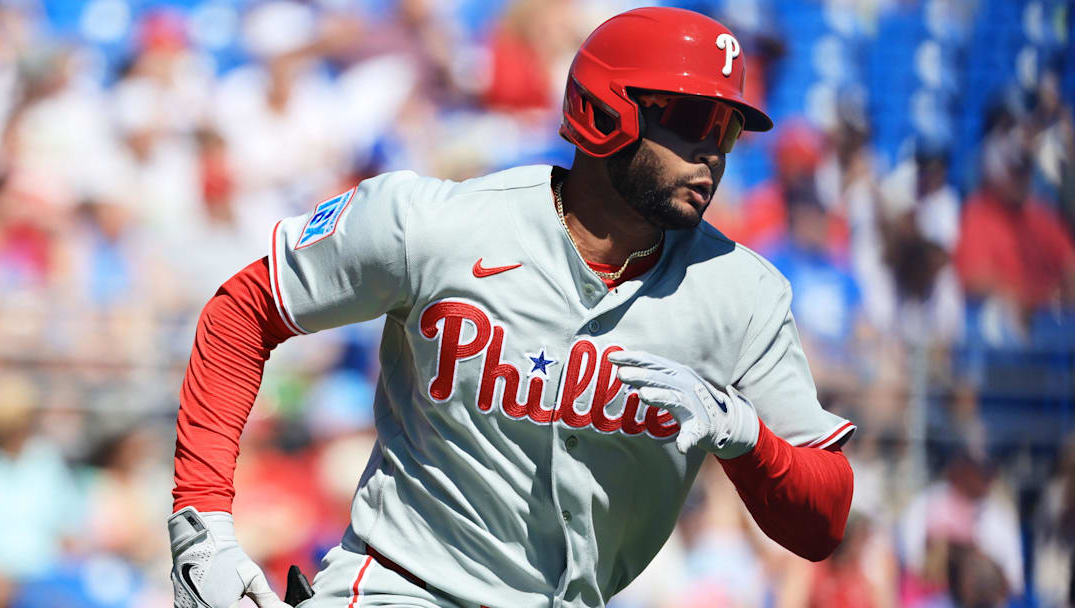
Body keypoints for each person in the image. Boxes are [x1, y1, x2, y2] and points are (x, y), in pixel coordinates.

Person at [167, 8, 856, 608]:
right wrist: (204, 522)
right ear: (606, 112)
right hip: (401, 587)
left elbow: (822, 523)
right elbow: (246, 308)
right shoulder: (437, 224)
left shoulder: (745, 295)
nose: (712, 151)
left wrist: (746, 439)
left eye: (728, 129)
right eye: (692, 120)